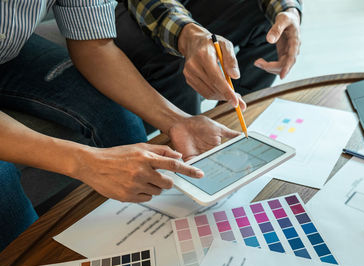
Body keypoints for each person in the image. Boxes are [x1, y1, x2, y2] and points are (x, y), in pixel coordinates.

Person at [0, 0, 239, 251]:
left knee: (117, 115)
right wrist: (85, 162)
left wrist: (177, 121)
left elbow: (93, 45)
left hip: (10, 51)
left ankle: (145, 243)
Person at [115, 0, 302, 115]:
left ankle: (233, 118)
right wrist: (188, 36)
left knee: (271, 20)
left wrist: (289, 9)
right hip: (117, 11)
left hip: (182, 7)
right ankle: (190, 142)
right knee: (174, 54)